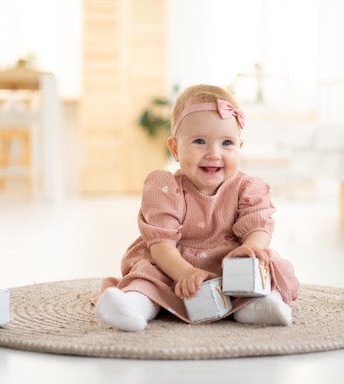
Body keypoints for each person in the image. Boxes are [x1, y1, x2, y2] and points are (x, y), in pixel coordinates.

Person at [92, 84, 299, 332]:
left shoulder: (247, 187)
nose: (214, 153)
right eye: (200, 141)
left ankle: (260, 306)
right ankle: (135, 307)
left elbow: (258, 223)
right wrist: (185, 273)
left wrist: (251, 249)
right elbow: (161, 245)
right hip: (174, 263)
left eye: (226, 143)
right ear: (176, 149)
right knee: (149, 274)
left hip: (228, 262)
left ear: (239, 148)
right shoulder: (166, 188)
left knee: (265, 265)